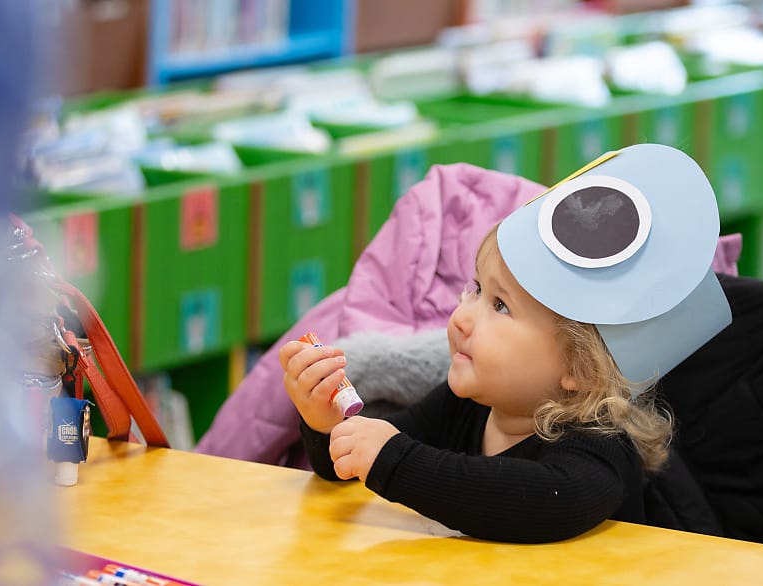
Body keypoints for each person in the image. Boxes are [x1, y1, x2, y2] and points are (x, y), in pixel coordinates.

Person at [279, 144, 733, 543]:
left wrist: (394, 461)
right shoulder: (470, 403)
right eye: (475, 288)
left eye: (500, 306)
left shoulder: (601, 447)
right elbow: (364, 459)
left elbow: (529, 500)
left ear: (583, 368)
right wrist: (329, 426)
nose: (461, 315)